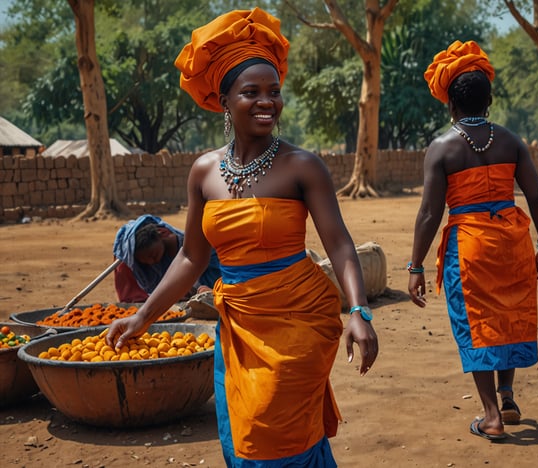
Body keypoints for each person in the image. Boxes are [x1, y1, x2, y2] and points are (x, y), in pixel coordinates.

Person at [105, 8, 378, 466]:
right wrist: (143, 318)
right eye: (251, 92)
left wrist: (359, 311)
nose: (266, 101)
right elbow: (191, 258)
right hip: (236, 327)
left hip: (298, 323)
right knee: (244, 440)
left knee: (280, 441)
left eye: (274, 91)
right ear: (224, 100)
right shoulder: (204, 172)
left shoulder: (302, 166)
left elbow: (339, 244)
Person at [407, 40, 538, 441]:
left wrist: (416, 265)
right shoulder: (510, 141)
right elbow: (537, 198)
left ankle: (491, 415)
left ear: (450, 105)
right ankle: (507, 395)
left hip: (469, 247)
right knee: (508, 316)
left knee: (476, 325)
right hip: (513, 241)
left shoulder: (442, 148)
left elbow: (429, 214)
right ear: (489, 101)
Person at [112, 214, 221, 303]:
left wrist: (194, 289)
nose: (151, 262)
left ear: (162, 234)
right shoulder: (155, 267)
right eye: (145, 261)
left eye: (152, 255)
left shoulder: (194, 244)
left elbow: (207, 270)